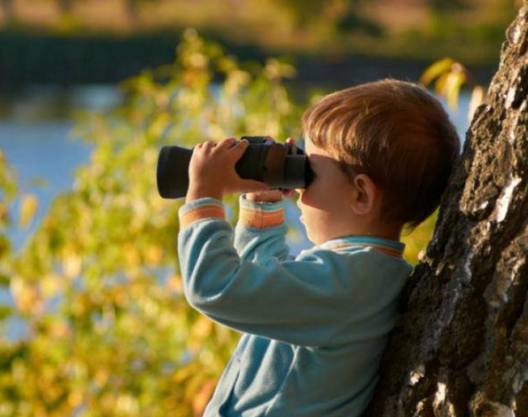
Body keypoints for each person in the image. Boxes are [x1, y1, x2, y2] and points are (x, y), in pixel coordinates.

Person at [177, 79, 461, 417]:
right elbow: (262, 290)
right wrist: (262, 202)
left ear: (361, 195)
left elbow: (215, 287)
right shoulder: (361, 274)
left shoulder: (351, 283)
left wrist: (203, 198)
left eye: (307, 172)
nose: (298, 189)